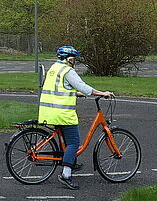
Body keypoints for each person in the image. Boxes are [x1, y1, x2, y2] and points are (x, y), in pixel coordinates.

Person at [38, 45, 114, 190]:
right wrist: (102, 93)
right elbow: (84, 87)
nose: (75, 61)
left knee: (65, 142)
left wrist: (73, 93)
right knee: (74, 142)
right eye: (74, 59)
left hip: (48, 111)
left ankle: (69, 161)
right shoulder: (68, 71)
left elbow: (58, 90)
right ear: (70, 59)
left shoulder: (54, 68)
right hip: (62, 113)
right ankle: (66, 174)